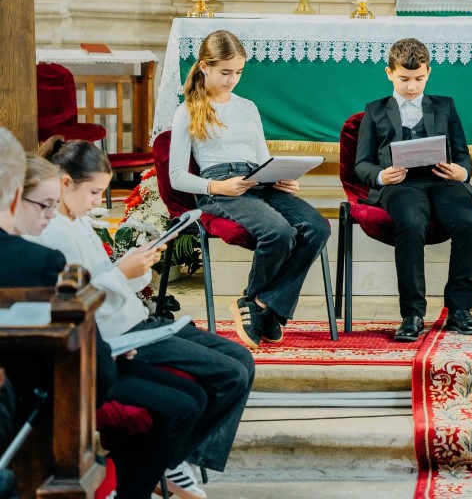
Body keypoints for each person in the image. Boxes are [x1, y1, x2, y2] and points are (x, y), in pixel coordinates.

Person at [32, 136, 254, 493]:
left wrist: (136, 267)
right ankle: (172, 460)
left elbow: (104, 278)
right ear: (65, 183)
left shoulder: (76, 219)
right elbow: (78, 302)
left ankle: (173, 457)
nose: (97, 202)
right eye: (94, 193)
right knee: (229, 375)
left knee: (240, 359)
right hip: (117, 333)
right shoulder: (54, 230)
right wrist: (123, 273)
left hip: (135, 320)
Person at [15, 153, 208, 499]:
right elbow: (67, 315)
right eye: (45, 205)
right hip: (61, 374)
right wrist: (106, 351)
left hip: (89, 353)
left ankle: (132, 478)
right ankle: (127, 482)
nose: (51, 215)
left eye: (53, 205)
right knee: (183, 403)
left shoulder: (55, 233)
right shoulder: (41, 251)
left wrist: (109, 346)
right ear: (15, 199)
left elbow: (77, 309)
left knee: (192, 397)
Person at [169, 29, 330, 348]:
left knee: (317, 227)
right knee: (278, 232)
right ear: (204, 67)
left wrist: (280, 176)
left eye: (239, 72)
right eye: (225, 72)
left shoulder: (247, 107)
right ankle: (263, 308)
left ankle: (258, 304)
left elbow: (262, 158)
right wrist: (217, 186)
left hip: (258, 179)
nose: (232, 80)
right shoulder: (187, 110)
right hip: (219, 186)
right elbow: (176, 176)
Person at [354, 37, 472, 342]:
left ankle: (459, 309)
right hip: (401, 185)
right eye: (404, 79)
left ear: (429, 72)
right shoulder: (374, 110)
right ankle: (412, 314)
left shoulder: (445, 105)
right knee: (411, 224)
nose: (412, 87)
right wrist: (382, 175)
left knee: (468, 223)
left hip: (443, 181)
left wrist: (462, 171)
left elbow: (462, 154)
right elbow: (362, 163)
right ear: (389, 73)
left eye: (419, 78)